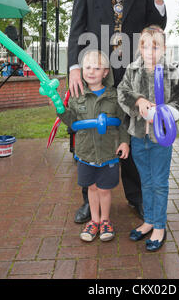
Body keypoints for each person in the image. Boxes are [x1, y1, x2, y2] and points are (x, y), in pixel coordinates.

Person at [67, 0, 167, 223]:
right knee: (93, 136)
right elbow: (76, 29)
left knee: (133, 134)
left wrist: (160, 1)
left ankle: (135, 197)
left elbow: (155, 27)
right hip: (95, 75)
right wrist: (73, 67)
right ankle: (90, 199)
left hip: (132, 75)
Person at [117, 25, 179, 251]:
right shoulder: (132, 69)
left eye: (155, 46)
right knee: (145, 182)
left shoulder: (171, 72)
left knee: (159, 183)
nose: (149, 51)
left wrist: (165, 113)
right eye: (144, 46)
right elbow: (122, 93)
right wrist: (138, 101)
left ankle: (159, 225)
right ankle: (148, 220)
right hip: (139, 136)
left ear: (164, 48)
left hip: (161, 139)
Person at [57, 50, 130, 242]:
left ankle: (105, 220)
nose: (91, 72)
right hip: (86, 152)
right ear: (82, 70)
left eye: (97, 68)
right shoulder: (77, 95)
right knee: (92, 188)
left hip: (108, 152)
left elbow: (122, 121)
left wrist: (124, 141)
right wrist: (59, 108)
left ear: (105, 72)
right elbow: (71, 121)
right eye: (87, 67)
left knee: (105, 189)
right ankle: (94, 220)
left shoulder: (114, 96)